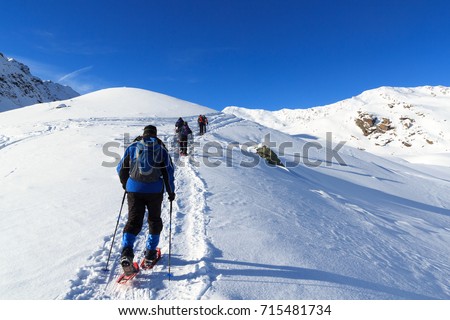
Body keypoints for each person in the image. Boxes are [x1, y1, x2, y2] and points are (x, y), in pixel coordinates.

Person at [116, 125, 175, 274]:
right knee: (154, 220)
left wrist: (126, 184)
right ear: (155, 135)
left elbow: (120, 168)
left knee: (133, 220)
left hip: (134, 189)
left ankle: (127, 252)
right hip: (155, 190)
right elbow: (168, 172)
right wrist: (171, 192)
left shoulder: (133, 147)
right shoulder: (161, 150)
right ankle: (150, 254)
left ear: (143, 134)